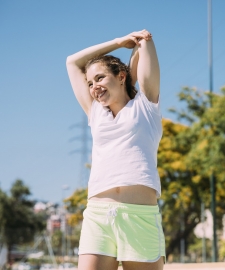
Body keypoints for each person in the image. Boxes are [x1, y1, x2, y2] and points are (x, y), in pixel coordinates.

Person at [66, 30, 165, 270]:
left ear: (121, 77)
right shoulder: (96, 112)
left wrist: (140, 42)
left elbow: (145, 43)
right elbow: (72, 62)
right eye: (90, 83)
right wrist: (117, 43)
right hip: (98, 216)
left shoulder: (146, 106)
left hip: (140, 217)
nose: (94, 87)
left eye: (100, 78)